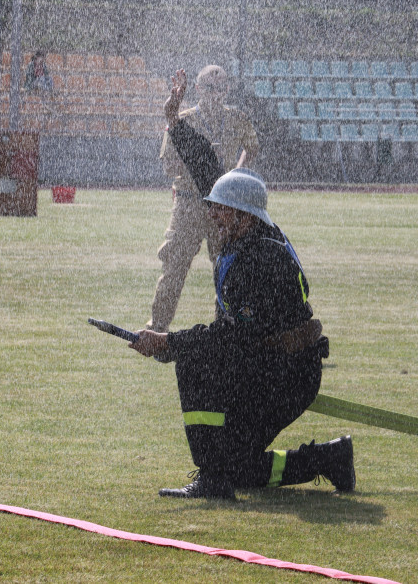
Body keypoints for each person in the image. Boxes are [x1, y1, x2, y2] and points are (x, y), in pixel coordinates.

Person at [129, 171, 355, 498]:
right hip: (268, 365)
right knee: (237, 466)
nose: (212, 215)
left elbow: (232, 337)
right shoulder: (243, 243)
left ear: (244, 214)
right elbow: (232, 334)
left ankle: (213, 477)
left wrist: (170, 343)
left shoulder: (257, 259)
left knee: (193, 362)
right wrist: (174, 344)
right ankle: (327, 459)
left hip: (286, 375)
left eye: (220, 207)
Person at [146, 65, 260, 332]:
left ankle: (228, 325)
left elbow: (252, 146)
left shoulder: (237, 119)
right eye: (210, 87)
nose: (216, 93)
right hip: (189, 203)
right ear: (198, 89)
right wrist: (200, 163)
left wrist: (236, 172)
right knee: (175, 264)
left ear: (227, 89)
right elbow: (169, 166)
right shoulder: (183, 120)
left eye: (221, 88)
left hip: (223, 206)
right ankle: (158, 325)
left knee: (228, 267)